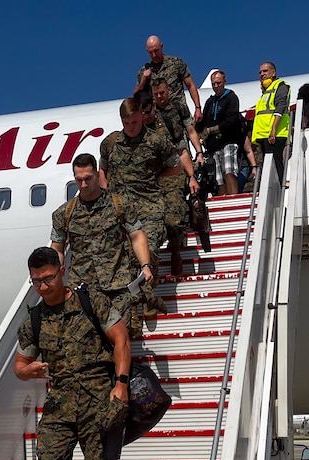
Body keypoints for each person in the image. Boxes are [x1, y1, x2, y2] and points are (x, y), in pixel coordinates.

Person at [14, 247, 131, 460]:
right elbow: (19, 365)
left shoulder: (90, 302)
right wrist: (29, 371)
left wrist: (120, 384)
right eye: (36, 281)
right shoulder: (35, 319)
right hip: (60, 404)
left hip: (98, 400)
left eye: (48, 278)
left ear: (60, 270)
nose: (43, 286)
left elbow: (121, 339)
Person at [100, 97, 178, 334]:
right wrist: (106, 194)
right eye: (126, 122)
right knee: (124, 258)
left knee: (149, 250)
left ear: (141, 117)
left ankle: (146, 293)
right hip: (121, 210)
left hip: (149, 206)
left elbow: (175, 166)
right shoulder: (111, 142)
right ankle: (143, 299)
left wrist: (152, 179)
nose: (130, 127)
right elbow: (103, 168)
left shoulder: (156, 140)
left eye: (134, 121)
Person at [50, 154, 154, 332]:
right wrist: (54, 275)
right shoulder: (64, 213)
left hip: (118, 285)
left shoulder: (119, 204)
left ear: (98, 175)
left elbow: (137, 236)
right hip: (82, 288)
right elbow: (57, 248)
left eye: (88, 179)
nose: (83, 184)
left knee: (122, 338)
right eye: (79, 180)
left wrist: (145, 265)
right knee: (85, 341)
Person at [149, 79, 202, 278]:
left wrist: (198, 155)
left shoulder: (177, 109)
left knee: (174, 218)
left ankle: (175, 251)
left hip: (175, 169)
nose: (159, 97)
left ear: (169, 91)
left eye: (162, 93)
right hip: (155, 175)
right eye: (156, 94)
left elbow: (188, 134)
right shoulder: (148, 115)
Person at [133, 35, 203, 125]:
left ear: (161, 46)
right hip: (159, 122)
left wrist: (198, 108)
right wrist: (143, 80)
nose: (154, 55)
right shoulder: (144, 71)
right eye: (151, 52)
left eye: (156, 50)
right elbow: (136, 96)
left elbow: (190, 85)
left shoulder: (176, 63)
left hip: (180, 116)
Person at [199, 70, 244, 196]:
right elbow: (204, 121)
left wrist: (212, 130)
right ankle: (223, 200)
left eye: (218, 83)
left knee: (229, 171)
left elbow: (232, 120)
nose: (216, 86)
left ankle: (233, 198)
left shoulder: (231, 97)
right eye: (213, 84)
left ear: (224, 81)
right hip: (213, 145)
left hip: (228, 141)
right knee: (218, 178)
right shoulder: (210, 102)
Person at [252, 62, 291, 186]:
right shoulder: (266, 91)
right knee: (268, 165)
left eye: (265, 71)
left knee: (276, 163)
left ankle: (280, 187)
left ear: (273, 73)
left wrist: (273, 129)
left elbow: (280, 107)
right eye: (260, 72)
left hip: (276, 134)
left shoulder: (280, 86)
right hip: (264, 135)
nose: (262, 74)